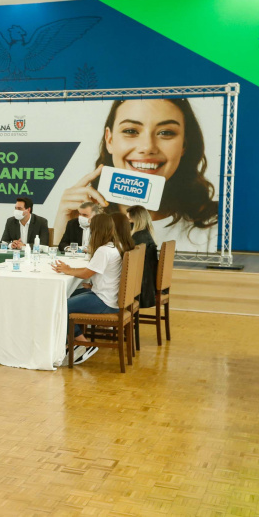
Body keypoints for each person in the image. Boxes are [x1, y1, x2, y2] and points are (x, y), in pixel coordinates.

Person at [52, 98, 218, 252]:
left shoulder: (214, 227)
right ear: (109, 140)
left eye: (166, 132)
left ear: (184, 145)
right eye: (130, 131)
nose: (147, 147)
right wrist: (67, 229)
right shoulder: (85, 218)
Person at [51, 214, 127, 365]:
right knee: (68, 294)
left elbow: (86, 273)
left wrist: (68, 269)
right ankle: (69, 342)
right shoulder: (115, 246)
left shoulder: (104, 251)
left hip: (104, 300)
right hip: (108, 295)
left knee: (60, 306)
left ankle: (83, 344)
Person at [128, 204, 158, 309]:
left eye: (129, 219)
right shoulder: (145, 234)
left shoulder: (138, 238)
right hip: (148, 284)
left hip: (141, 287)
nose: (127, 222)